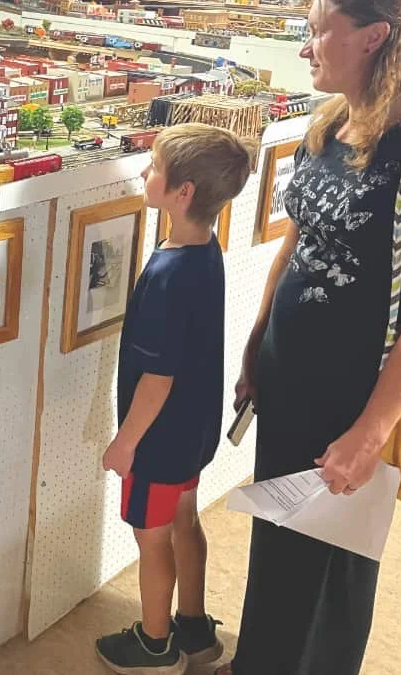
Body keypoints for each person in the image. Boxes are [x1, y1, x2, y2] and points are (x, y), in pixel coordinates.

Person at [217, 0, 401, 675]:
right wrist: (254, 347)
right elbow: (295, 243)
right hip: (288, 379)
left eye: (317, 29)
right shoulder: (331, 124)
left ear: (373, 37)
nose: (306, 46)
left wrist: (370, 434)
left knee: (329, 573)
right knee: (279, 549)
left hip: (355, 398)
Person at [97, 123, 255, 674]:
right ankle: (195, 628)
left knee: (152, 539)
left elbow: (155, 380)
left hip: (158, 440)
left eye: (155, 168)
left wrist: (124, 443)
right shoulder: (206, 249)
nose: (144, 173)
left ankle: (155, 644)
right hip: (194, 431)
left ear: (182, 192)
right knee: (186, 520)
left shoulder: (167, 274)